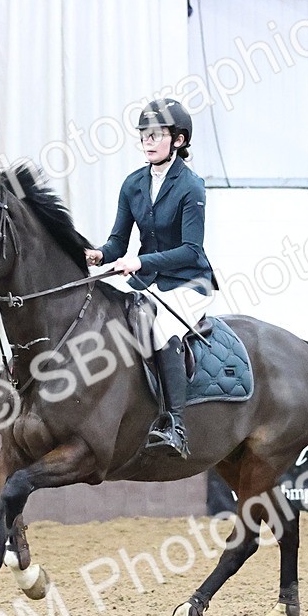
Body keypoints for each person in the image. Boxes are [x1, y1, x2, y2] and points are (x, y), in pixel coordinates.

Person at [85, 98, 217, 459]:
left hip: (190, 282)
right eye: (144, 133)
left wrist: (140, 262)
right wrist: (98, 254)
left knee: (162, 331)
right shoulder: (133, 184)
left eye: (156, 134)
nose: (147, 139)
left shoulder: (192, 186)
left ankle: (176, 425)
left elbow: (192, 250)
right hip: (149, 283)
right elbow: (117, 242)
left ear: (178, 140)